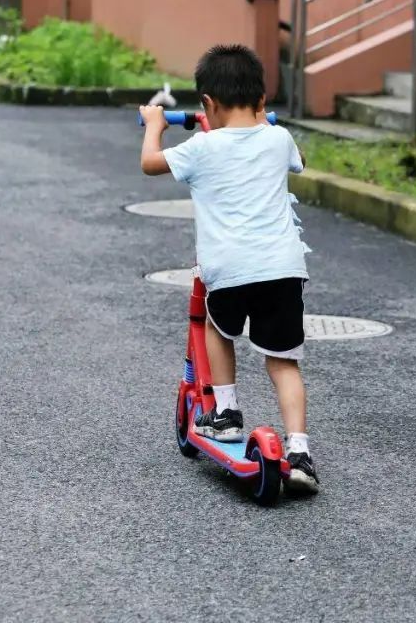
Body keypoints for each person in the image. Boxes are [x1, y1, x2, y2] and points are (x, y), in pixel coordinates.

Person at [139, 44, 318, 493]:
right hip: (282, 268)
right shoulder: (279, 139)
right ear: (262, 103)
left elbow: (150, 164)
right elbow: (298, 162)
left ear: (207, 105)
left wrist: (156, 125)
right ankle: (299, 451)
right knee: (284, 361)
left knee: (218, 331)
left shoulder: (201, 147)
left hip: (230, 269)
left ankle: (226, 412)